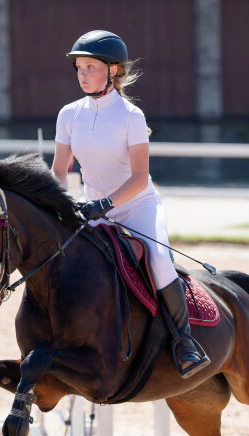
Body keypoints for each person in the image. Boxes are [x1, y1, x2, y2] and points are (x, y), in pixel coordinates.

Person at [51, 30, 209, 379]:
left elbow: (139, 177)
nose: (82, 74)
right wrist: (57, 205)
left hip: (137, 206)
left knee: (158, 261)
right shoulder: (68, 114)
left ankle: (184, 343)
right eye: (79, 67)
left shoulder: (131, 116)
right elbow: (59, 170)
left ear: (114, 70)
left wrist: (104, 204)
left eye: (90, 66)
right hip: (92, 208)